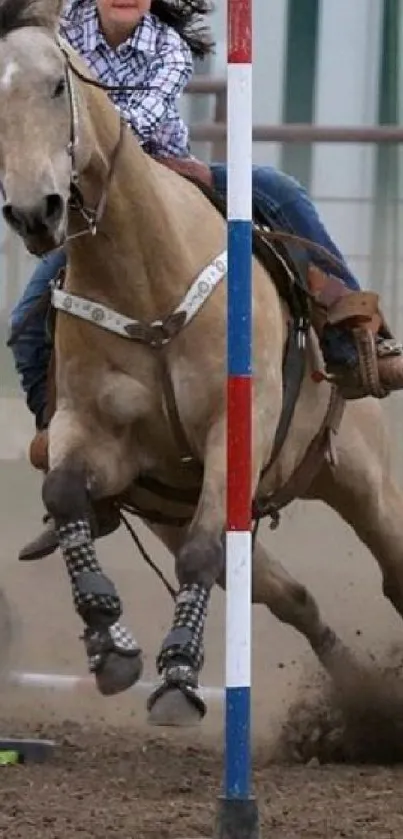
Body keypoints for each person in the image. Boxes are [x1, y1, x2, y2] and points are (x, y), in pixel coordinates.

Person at [9, 0, 403, 561]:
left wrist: (75, 126)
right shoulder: (61, 36)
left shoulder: (164, 46)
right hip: (95, 213)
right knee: (27, 319)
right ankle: (63, 436)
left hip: (169, 180)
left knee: (278, 190)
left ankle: (353, 336)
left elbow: (133, 126)